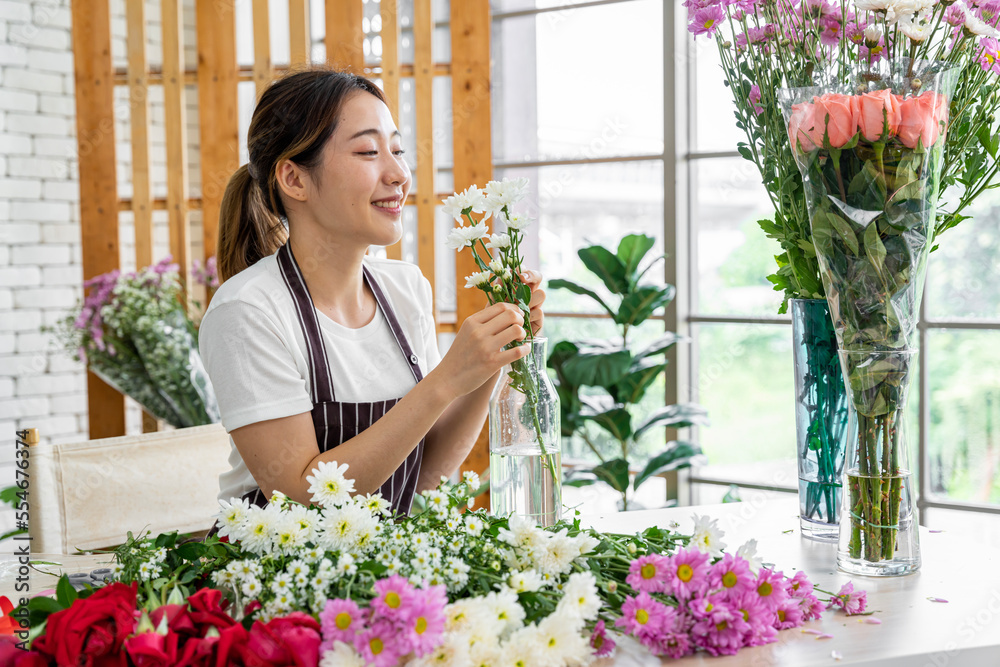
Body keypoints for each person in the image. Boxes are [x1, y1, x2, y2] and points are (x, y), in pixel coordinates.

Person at [199, 69, 545, 518]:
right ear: (294, 179)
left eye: (398, 151)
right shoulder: (247, 311)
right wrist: (444, 381)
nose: (400, 173)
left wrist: (494, 356)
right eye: (367, 152)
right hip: (275, 573)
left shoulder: (405, 289)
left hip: (381, 570)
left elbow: (427, 472)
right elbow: (301, 498)